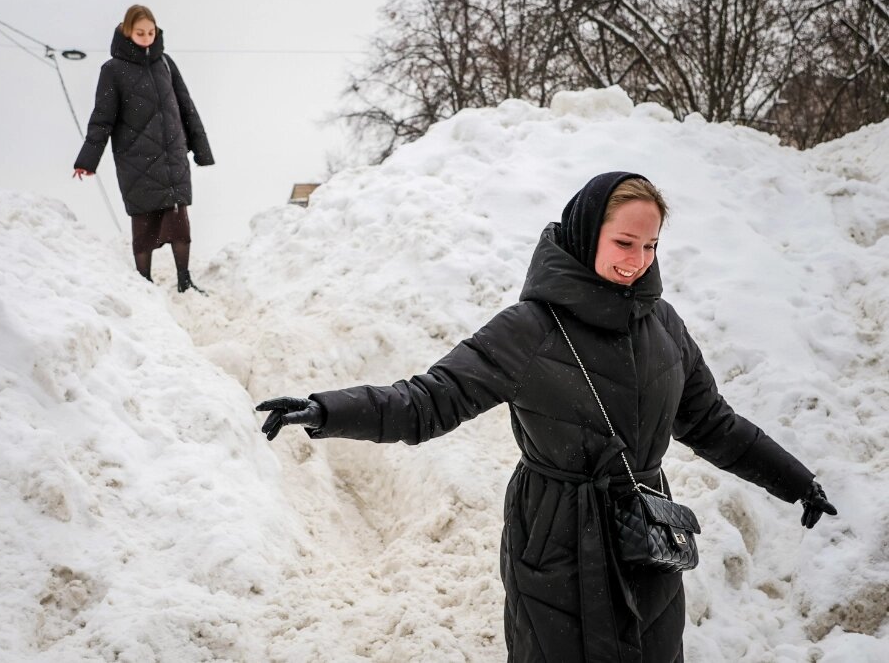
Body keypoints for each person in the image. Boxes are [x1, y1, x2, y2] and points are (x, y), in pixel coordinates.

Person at [256, 172, 838, 662]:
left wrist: (796, 480)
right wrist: (326, 410)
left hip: (645, 536)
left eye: (651, 246)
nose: (638, 261)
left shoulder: (665, 328)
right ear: (588, 236)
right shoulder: (528, 329)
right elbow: (427, 401)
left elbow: (712, 423)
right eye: (625, 243)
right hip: (556, 538)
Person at [73, 4, 214, 294]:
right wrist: (88, 159)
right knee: (144, 226)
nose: (147, 38)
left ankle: (185, 280)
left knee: (180, 224)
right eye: (140, 33)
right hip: (136, 158)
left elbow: (186, 107)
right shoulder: (113, 71)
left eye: (151, 32)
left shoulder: (165, 64)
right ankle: (143, 285)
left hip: (172, 153)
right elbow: (102, 118)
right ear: (127, 31)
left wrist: (201, 150)